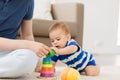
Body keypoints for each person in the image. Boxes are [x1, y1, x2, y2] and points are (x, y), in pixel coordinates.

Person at [0, 0, 51, 78]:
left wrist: (38, 60)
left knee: (29, 58)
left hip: (6, 54)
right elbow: (27, 43)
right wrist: (27, 45)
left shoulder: (27, 2)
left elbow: (27, 35)